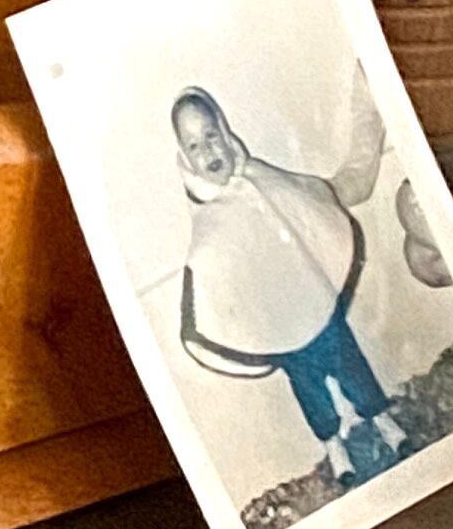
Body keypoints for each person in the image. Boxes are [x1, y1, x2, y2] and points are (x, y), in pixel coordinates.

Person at [173, 80, 406, 488]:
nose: (209, 150)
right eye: (195, 145)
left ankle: (381, 417)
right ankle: (333, 443)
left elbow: (306, 200)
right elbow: (211, 267)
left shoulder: (261, 176)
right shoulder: (208, 222)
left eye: (211, 135)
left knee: (349, 360)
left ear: (226, 133)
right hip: (276, 325)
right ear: (186, 160)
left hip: (315, 300)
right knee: (308, 387)